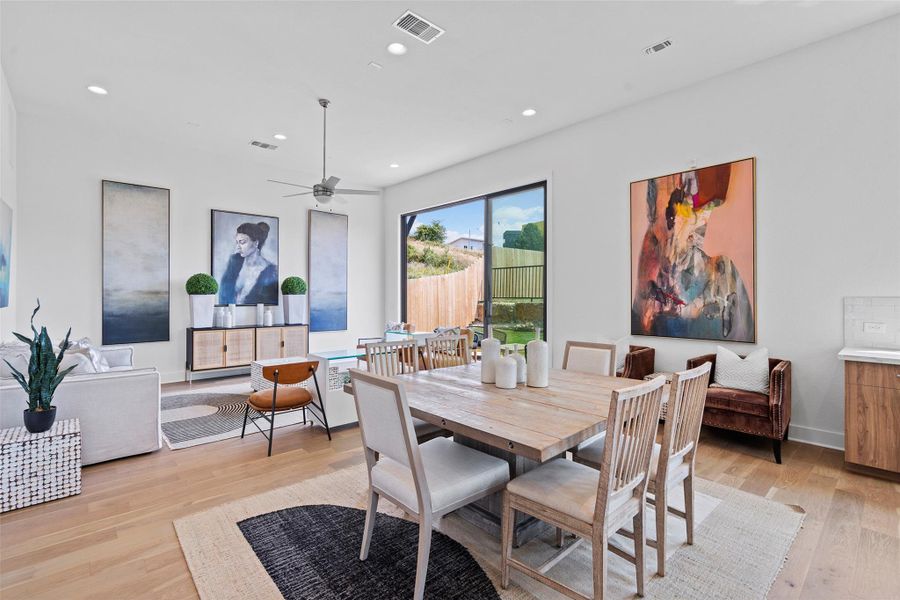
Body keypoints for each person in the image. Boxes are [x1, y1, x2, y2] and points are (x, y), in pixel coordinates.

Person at [218, 221, 277, 305]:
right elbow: (223, 295)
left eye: (242, 242)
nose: (237, 247)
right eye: (237, 242)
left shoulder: (271, 271)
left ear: (256, 243)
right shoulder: (234, 262)